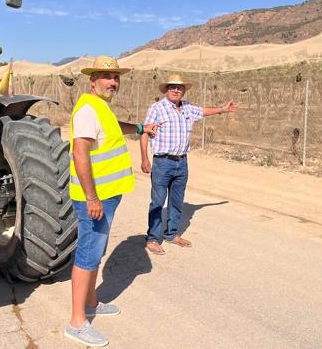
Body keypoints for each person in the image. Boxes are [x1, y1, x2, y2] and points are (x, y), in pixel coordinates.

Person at [64, 55, 158, 347]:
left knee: (97, 250)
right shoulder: (88, 109)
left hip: (106, 197)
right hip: (95, 198)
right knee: (88, 254)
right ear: (93, 80)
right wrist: (92, 197)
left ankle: (91, 302)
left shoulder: (100, 108)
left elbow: (115, 127)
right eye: (106, 77)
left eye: (116, 77)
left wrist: (141, 129)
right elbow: (80, 153)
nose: (112, 82)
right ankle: (77, 322)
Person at [140, 74, 239, 255]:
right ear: (166, 90)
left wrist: (223, 109)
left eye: (179, 88)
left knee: (177, 201)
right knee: (157, 201)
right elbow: (145, 133)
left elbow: (203, 111)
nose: (176, 90)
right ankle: (152, 238)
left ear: (183, 91)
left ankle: (171, 234)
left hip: (181, 162)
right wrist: (144, 159)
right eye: (172, 87)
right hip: (162, 162)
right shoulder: (157, 108)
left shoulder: (187, 108)